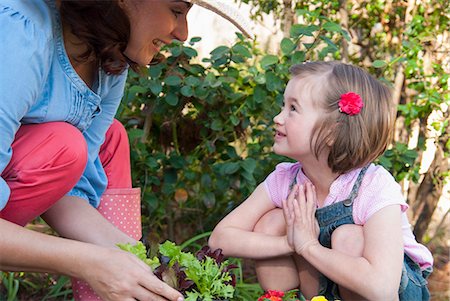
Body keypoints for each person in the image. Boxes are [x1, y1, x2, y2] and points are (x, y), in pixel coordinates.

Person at [0, 1, 252, 301]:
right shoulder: (21, 35)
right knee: (65, 144)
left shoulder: (110, 64)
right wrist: (88, 261)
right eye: (176, 10)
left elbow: (68, 193)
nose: (183, 34)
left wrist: (144, 264)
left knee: (104, 138)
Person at [209, 61, 433, 301]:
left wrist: (308, 246)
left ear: (331, 132)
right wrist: (290, 243)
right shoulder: (285, 179)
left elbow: (382, 289)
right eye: (283, 106)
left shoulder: (374, 186)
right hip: (322, 290)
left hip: (392, 292)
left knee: (348, 237)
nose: (278, 117)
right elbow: (220, 239)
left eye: (293, 109)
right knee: (272, 223)